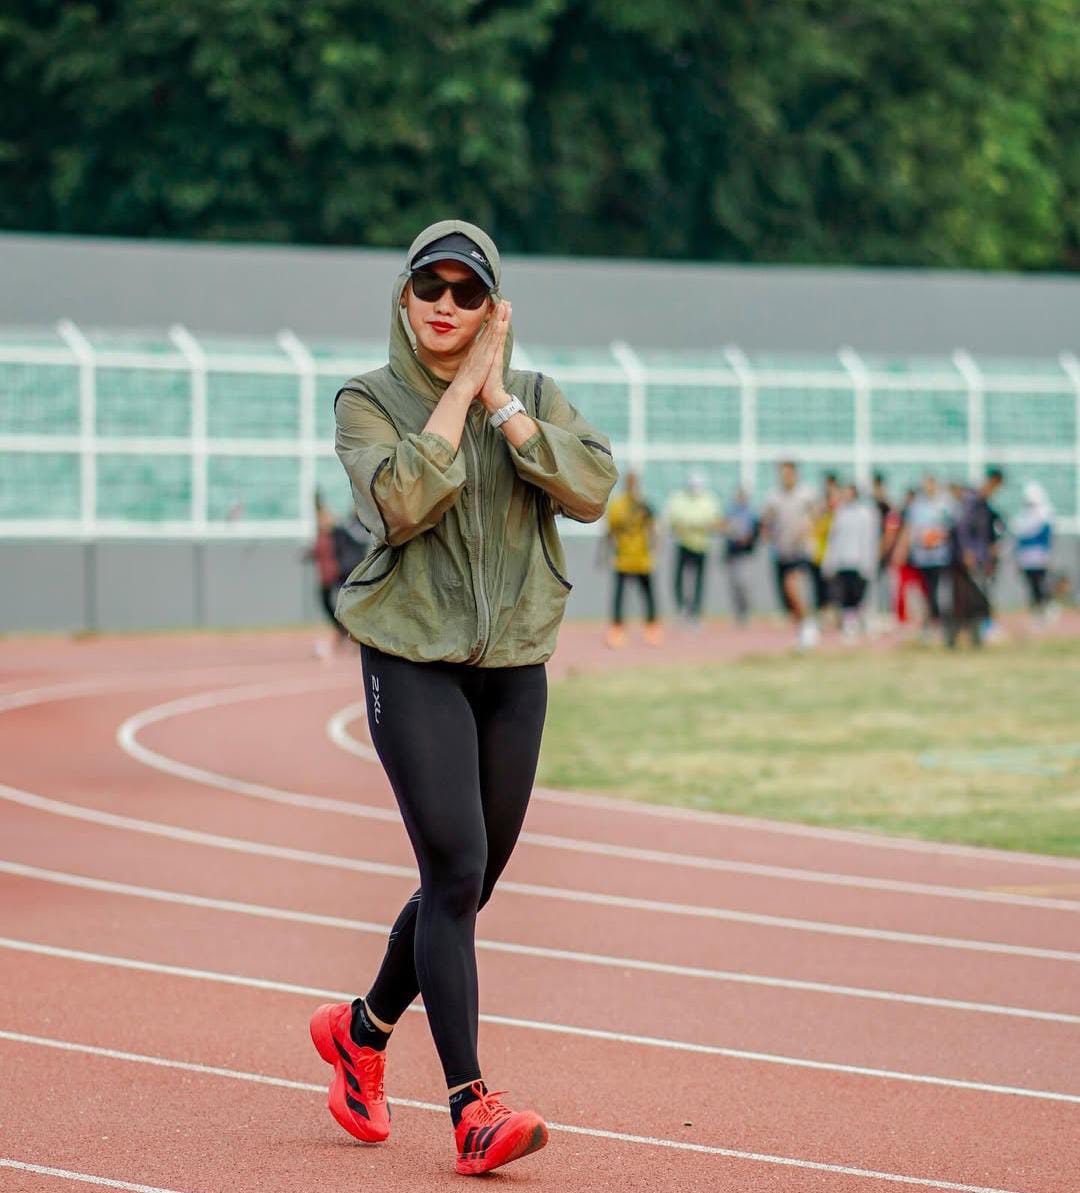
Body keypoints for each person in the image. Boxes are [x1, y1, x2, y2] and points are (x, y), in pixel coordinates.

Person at [310, 220, 617, 1176]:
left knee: (471, 880)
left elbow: (592, 487)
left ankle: (362, 1030)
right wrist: (455, 397)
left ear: (493, 307)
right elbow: (399, 501)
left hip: (513, 663)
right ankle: (471, 1106)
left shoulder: (537, 395)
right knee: (454, 865)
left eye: (467, 292)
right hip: (410, 654)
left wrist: (502, 404)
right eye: (430, 287)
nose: (446, 304)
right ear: (404, 297)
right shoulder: (367, 399)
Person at [761, 460, 820, 649]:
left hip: (801, 549)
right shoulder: (774, 497)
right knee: (787, 597)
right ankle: (803, 628)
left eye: (788, 473)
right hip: (782, 550)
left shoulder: (806, 494)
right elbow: (766, 520)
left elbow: (817, 515)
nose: (785, 477)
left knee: (792, 585)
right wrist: (767, 534)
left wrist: (807, 529)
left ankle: (808, 625)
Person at [605, 471, 662, 647]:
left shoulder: (644, 504)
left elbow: (654, 528)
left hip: (642, 559)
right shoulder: (617, 505)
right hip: (623, 559)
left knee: (648, 595)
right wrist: (610, 551)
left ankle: (651, 628)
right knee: (620, 596)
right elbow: (610, 531)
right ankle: (617, 630)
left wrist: (655, 549)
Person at [896, 474, 955, 640]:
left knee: (940, 591)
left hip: (940, 556)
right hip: (922, 557)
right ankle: (929, 621)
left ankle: (941, 622)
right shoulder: (917, 506)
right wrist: (902, 549)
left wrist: (937, 537)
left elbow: (951, 528)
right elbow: (909, 529)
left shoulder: (945, 504)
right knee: (926, 591)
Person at [953, 467, 1005, 642]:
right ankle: (971, 630)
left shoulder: (986, 506)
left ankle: (982, 629)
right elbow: (963, 528)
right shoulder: (972, 503)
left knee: (982, 592)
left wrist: (993, 547)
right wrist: (967, 551)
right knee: (973, 594)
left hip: (983, 556)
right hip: (973, 556)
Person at [822, 484, 879, 641]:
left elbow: (868, 539)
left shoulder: (865, 514)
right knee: (844, 595)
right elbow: (833, 539)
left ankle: (861, 621)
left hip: (858, 561)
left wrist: (868, 562)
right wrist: (829, 560)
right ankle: (849, 624)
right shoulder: (839, 513)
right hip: (842, 561)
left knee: (858, 594)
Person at [665, 470, 720, 627]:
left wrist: (691, 524)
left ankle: (695, 611)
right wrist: (695, 524)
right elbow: (675, 518)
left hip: (701, 545)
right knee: (678, 579)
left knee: (699, 581)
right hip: (683, 543)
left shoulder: (709, 500)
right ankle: (682, 607)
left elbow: (711, 520)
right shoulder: (679, 498)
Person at [304, 492, 352, 658]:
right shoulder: (322, 533)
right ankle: (342, 631)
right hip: (326, 574)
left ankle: (345, 632)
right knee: (328, 604)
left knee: (336, 605)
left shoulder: (333, 530)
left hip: (334, 574)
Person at [1012, 481, 1055, 622]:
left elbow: (1046, 538)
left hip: (1039, 557)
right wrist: (1018, 558)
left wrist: (1047, 555)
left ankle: (1047, 607)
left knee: (1042, 583)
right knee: (1031, 584)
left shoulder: (1045, 514)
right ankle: (1037, 609)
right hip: (1026, 558)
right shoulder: (1022, 516)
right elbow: (1019, 539)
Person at [721, 485, 759, 626]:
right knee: (734, 584)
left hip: (745, 553)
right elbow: (723, 526)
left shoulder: (751, 512)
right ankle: (738, 613)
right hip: (732, 552)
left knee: (745, 583)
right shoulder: (730, 511)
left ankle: (746, 610)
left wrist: (748, 538)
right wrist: (729, 531)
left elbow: (756, 531)